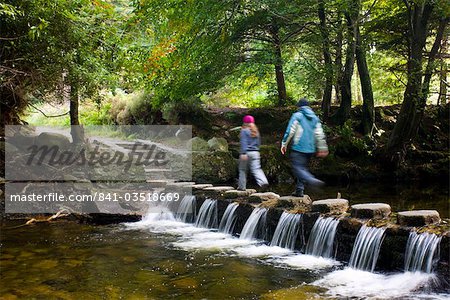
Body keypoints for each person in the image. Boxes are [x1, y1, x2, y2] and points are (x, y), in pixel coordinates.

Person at [280, 98, 328, 197]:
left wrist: (284, 144)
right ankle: (299, 190)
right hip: (310, 148)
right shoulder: (314, 118)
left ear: (299, 106)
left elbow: (290, 131)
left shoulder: (297, 116)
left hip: (299, 146)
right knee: (303, 168)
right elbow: (319, 134)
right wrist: (322, 147)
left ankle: (312, 180)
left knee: (297, 168)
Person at [238, 115, 268, 191]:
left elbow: (244, 142)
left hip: (246, 153)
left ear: (244, 122)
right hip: (255, 153)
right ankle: (263, 181)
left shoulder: (244, 131)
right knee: (256, 169)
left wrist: (243, 153)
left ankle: (242, 187)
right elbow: (258, 143)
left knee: (242, 170)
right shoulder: (256, 131)